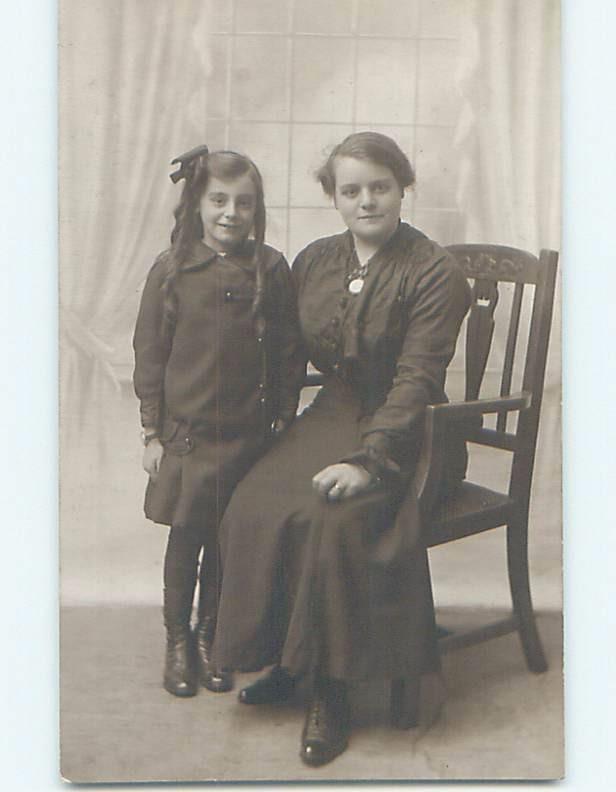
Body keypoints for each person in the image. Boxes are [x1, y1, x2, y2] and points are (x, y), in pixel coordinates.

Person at [211, 132, 472, 766]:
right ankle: (289, 661)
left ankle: (335, 690)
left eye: (379, 187)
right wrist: (267, 428)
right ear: (333, 197)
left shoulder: (434, 271)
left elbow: (417, 381)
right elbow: (286, 353)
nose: (366, 201)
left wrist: (369, 462)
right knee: (253, 501)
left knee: (334, 517)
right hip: (332, 412)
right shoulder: (317, 260)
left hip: (411, 430)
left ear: (403, 187)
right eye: (350, 190)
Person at [132, 145, 302, 699]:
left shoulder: (271, 267)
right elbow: (150, 354)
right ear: (197, 203)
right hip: (188, 436)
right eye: (219, 200)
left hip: (248, 437)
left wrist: (281, 416)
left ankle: (211, 636)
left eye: (245, 203)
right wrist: (151, 430)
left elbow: (287, 352)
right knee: (187, 539)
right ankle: (177, 639)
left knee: (228, 542)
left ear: (257, 210)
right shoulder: (173, 270)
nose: (232, 213)